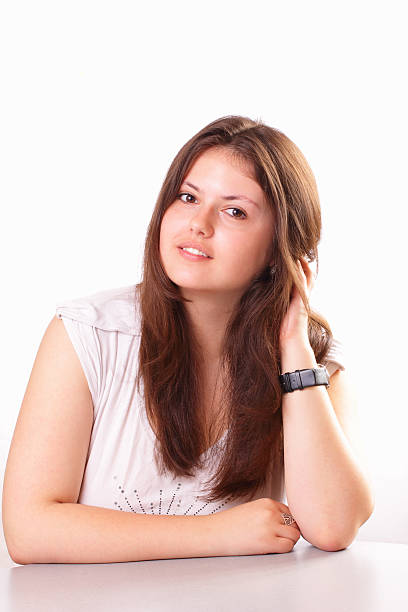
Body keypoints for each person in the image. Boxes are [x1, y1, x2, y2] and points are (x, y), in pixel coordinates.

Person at [2, 115, 374, 564]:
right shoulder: (89, 334)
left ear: (280, 251)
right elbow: (28, 530)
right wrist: (216, 533)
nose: (199, 223)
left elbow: (333, 527)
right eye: (188, 197)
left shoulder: (314, 371)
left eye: (234, 211)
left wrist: (294, 346)